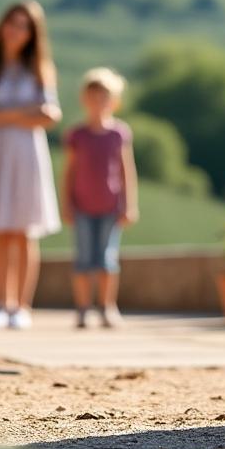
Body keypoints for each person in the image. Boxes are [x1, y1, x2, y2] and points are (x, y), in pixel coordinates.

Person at [0, 0, 62, 329]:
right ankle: (2, 303)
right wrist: (21, 114)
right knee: (1, 230)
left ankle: (22, 306)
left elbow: (50, 115)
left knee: (24, 230)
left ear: (32, 33)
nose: (15, 31)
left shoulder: (39, 68)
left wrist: (4, 116)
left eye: (23, 26)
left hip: (26, 152)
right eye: (11, 23)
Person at [61, 68, 139, 328]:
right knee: (83, 259)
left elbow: (127, 170)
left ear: (114, 101)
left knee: (107, 259)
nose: (98, 102)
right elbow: (68, 172)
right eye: (93, 96)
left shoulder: (119, 134)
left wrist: (129, 204)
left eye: (103, 97)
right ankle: (83, 308)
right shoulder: (76, 135)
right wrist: (66, 204)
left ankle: (107, 306)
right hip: (82, 206)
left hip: (110, 206)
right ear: (84, 99)